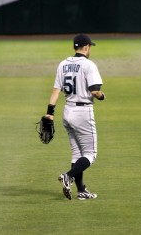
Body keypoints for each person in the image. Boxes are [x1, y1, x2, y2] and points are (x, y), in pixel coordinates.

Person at [45, 34, 105, 200]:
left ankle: (81, 190)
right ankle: (68, 176)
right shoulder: (89, 65)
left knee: (77, 153)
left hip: (67, 111)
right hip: (83, 113)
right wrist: (102, 96)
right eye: (90, 46)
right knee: (90, 154)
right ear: (86, 47)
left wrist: (49, 113)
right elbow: (94, 91)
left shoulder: (63, 64)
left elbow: (56, 90)